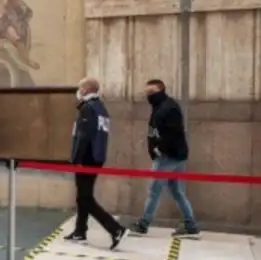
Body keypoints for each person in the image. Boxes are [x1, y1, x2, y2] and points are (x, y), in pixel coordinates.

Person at [63, 77, 128, 250]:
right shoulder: (101, 108)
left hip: (87, 159)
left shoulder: (88, 109)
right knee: (83, 196)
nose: (79, 91)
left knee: (85, 198)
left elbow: (83, 137)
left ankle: (115, 229)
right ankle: (80, 230)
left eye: (80, 87)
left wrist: (75, 160)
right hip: (96, 158)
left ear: (85, 89)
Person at [129, 79, 200, 238]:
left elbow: (173, 133)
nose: (149, 95)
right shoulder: (161, 107)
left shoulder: (168, 107)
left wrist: (160, 148)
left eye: (152, 92)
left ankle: (143, 224)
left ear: (161, 90)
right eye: (147, 93)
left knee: (154, 190)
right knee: (177, 191)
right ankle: (191, 225)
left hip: (168, 156)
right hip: (174, 155)